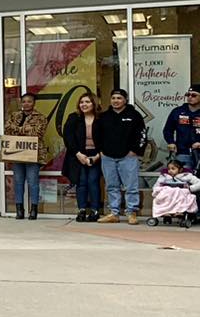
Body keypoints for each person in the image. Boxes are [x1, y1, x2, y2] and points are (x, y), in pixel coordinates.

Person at [94, 88, 147, 224]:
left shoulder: (134, 115)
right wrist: (101, 150)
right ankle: (114, 213)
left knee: (131, 186)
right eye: (113, 98)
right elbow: (97, 135)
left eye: (119, 98)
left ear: (125, 100)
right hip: (108, 157)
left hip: (128, 157)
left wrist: (135, 150)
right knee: (111, 186)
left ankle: (131, 213)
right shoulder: (104, 116)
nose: (116, 101)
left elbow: (142, 135)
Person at [3, 92, 49, 220]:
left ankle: (33, 209)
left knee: (33, 182)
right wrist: (26, 129)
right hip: (17, 152)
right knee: (18, 182)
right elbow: (7, 128)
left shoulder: (40, 117)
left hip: (33, 154)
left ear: (34, 103)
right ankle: (19, 210)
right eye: (24, 101)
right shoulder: (15, 115)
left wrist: (17, 129)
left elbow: (37, 133)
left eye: (29, 101)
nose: (26, 103)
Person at [62, 90, 103, 222]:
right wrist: (78, 154)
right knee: (81, 182)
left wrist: (97, 156)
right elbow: (68, 137)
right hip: (77, 154)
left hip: (96, 155)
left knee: (93, 181)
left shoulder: (101, 118)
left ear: (94, 103)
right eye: (81, 102)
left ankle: (95, 210)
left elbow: (108, 138)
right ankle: (82, 210)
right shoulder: (73, 117)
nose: (84, 104)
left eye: (87, 102)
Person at [162, 84, 200, 170]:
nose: (190, 97)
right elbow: (168, 130)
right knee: (183, 179)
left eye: (194, 95)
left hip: (199, 151)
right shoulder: (178, 111)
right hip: (183, 152)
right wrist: (171, 142)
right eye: (188, 95)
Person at [150, 158, 199, 223]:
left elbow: (199, 183)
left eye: (173, 169)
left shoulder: (187, 175)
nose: (170, 171)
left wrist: (190, 188)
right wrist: (158, 190)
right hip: (167, 195)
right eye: (169, 169)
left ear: (180, 170)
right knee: (163, 193)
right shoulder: (164, 177)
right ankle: (165, 211)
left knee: (179, 192)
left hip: (181, 194)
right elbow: (156, 186)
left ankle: (180, 210)